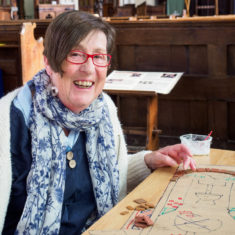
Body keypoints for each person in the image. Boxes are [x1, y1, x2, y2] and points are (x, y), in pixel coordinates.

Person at [0, 10, 196, 235]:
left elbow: (112, 173)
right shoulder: (7, 122)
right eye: (75, 54)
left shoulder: (103, 111)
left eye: (99, 56)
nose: (89, 68)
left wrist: (147, 161)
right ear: (49, 63)